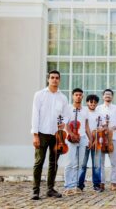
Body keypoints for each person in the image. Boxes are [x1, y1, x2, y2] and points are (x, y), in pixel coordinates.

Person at [31, 70, 69, 200]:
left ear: (59, 80)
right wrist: (35, 134)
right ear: (48, 79)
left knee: (54, 163)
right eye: (52, 77)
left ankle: (50, 189)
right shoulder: (39, 95)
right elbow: (35, 114)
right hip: (41, 133)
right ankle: (35, 191)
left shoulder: (63, 98)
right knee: (39, 162)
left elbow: (66, 115)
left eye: (57, 78)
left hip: (56, 135)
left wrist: (63, 123)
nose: (54, 80)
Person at [63, 88, 90, 196]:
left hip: (82, 138)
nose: (78, 96)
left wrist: (91, 139)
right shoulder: (68, 109)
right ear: (73, 96)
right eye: (76, 95)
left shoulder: (85, 110)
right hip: (71, 138)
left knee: (79, 164)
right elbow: (65, 124)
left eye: (80, 95)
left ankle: (75, 186)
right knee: (70, 163)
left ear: (82, 96)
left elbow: (87, 126)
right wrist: (71, 134)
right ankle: (67, 186)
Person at [96, 89, 116, 191]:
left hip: (112, 139)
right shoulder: (98, 108)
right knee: (100, 162)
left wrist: (113, 128)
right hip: (101, 139)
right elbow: (95, 122)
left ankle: (113, 183)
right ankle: (101, 182)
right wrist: (102, 126)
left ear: (112, 97)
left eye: (110, 94)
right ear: (103, 97)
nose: (108, 96)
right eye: (106, 94)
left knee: (114, 162)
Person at [78, 94, 102, 192]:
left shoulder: (100, 114)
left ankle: (96, 185)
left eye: (95, 102)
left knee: (96, 165)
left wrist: (97, 136)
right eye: (91, 102)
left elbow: (103, 127)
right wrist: (88, 140)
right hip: (86, 141)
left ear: (97, 103)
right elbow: (83, 127)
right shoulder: (84, 113)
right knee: (83, 164)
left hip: (97, 141)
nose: (92, 103)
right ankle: (80, 185)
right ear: (87, 102)